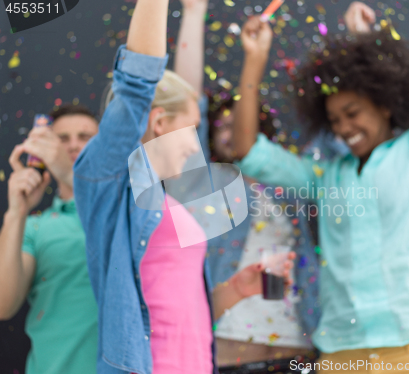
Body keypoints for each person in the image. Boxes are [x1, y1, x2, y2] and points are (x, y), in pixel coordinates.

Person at [232, 0, 409, 372]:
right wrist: (254, 59)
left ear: (384, 103)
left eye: (352, 113)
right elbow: (248, 151)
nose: (343, 128)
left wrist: (368, 42)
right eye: (334, 120)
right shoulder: (325, 177)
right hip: (342, 354)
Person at [72, 1, 295, 373]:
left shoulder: (172, 202)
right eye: (192, 130)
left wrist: (236, 289)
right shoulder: (110, 183)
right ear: (159, 122)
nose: (196, 146)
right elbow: (136, 84)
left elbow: (180, 309)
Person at [205, 92, 320, 373]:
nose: (230, 134)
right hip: (232, 340)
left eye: (239, 125)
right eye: (222, 127)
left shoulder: (291, 190)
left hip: (294, 337)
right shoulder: (207, 187)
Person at [0, 104, 99, 374]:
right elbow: (3, 305)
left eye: (86, 137)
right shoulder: (34, 226)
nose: (74, 145)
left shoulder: (123, 213)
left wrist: (73, 175)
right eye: (62, 139)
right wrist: (16, 213)